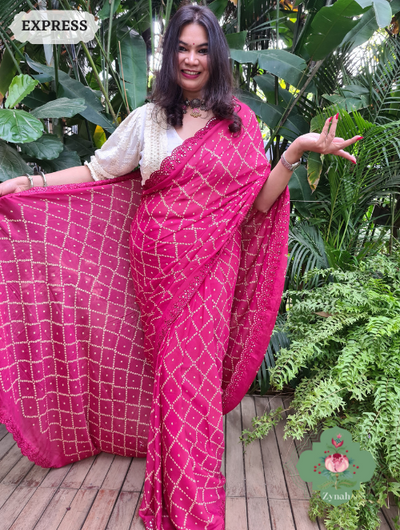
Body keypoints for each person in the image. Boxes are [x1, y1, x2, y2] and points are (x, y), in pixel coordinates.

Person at [0, 4, 362, 529]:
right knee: (175, 379)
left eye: (201, 49)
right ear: (170, 56)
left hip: (213, 266)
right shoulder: (148, 120)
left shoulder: (239, 124)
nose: (191, 60)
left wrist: (298, 150)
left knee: (190, 380)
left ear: (215, 56)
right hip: (156, 266)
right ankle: (178, 492)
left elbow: (258, 205)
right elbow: (97, 170)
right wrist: (29, 184)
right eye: (181, 49)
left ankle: (191, 507)